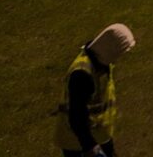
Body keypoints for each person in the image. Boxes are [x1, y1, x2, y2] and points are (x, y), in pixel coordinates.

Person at [51, 23, 133, 157]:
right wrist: (90, 147)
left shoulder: (101, 62)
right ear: (111, 49)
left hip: (98, 135)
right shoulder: (82, 74)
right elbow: (77, 117)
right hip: (78, 143)